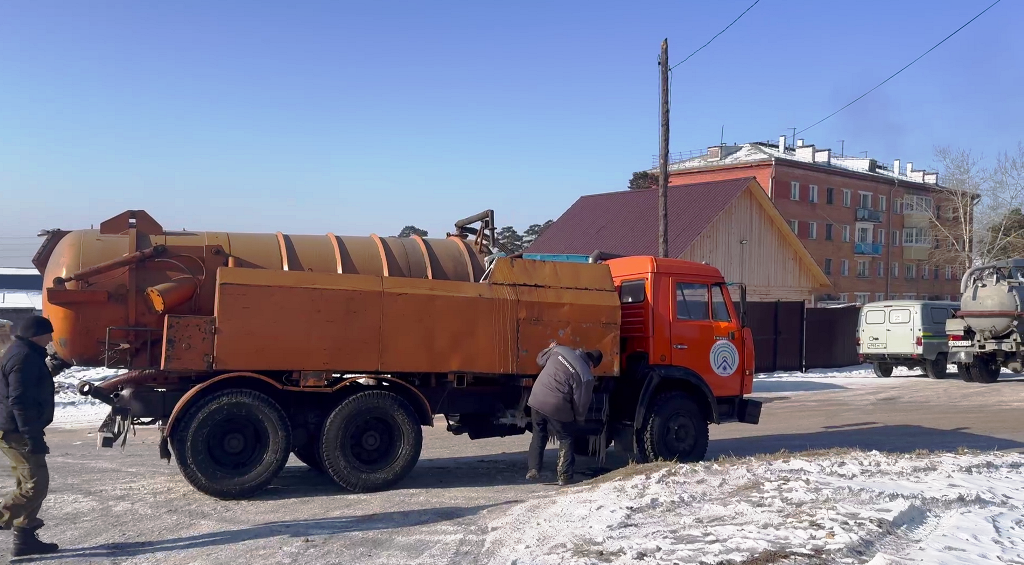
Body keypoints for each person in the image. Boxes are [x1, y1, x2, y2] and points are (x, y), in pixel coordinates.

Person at [0, 315, 59, 556]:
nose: (51, 339)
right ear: (36, 334)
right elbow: (20, 400)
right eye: (48, 334)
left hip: (16, 429)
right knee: (36, 485)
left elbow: (29, 387)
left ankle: (24, 538)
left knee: (27, 482)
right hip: (17, 431)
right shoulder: (24, 357)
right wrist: (31, 436)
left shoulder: (25, 352)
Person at [525, 342, 603, 486]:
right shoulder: (586, 376)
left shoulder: (560, 350)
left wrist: (550, 348)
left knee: (539, 433)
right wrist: (578, 421)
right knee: (566, 438)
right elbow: (581, 403)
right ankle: (565, 476)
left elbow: (540, 359)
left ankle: (533, 469)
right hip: (556, 405)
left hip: (536, 398)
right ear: (592, 365)